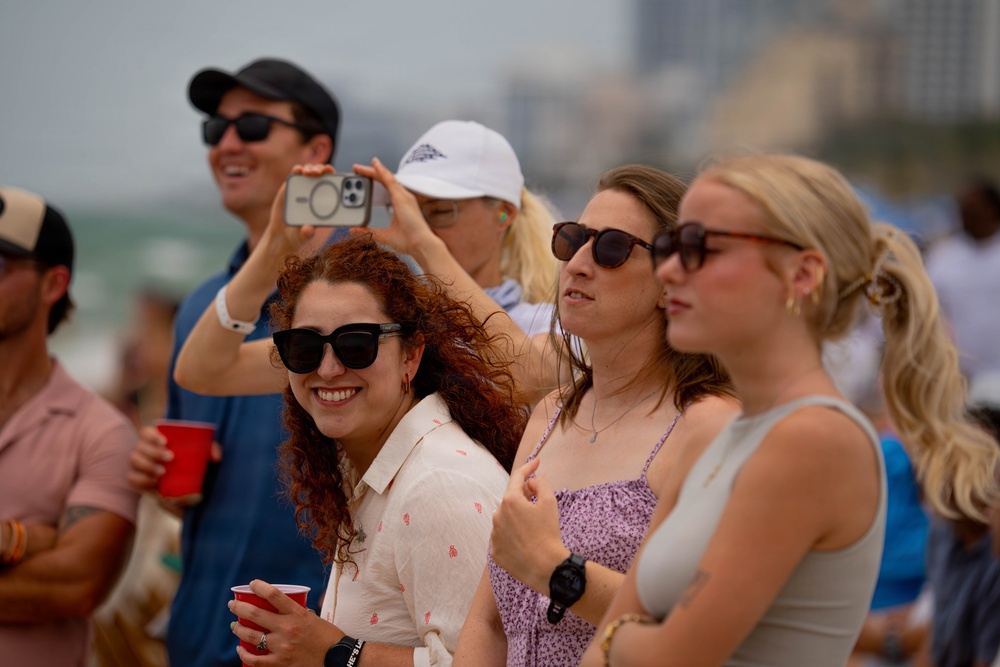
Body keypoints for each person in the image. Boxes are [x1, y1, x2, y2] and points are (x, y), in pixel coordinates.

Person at [582, 153, 1000, 666]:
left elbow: (668, 655)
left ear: (802, 274)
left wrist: (620, 636)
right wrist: (625, 636)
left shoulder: (814, 439)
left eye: (699, 247)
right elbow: (625, 638)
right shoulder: (721, 436)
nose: (669, 269)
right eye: (671, 246)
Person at [422, 164, 733, 666]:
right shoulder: (551, 414)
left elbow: (703, 623)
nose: (579, 263)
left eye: (612, 247)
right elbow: (489, 621)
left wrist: (556, 569)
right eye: (572, 240)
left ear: (670, 280)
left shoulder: (707, 426)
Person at [125, 58, 340, 667]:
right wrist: (159, 473)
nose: (225, 144)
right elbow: (190, 488)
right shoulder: (201, 308)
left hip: (313, 639)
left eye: (250, 126)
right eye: (213, 130)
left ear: (316, 150)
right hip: (198, 633)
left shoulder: (369, 295)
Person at [224, 234, 524, 665]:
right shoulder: (375, 466)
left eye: (357, 344)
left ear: (411, 356)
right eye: (305, 347)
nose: (327, 369)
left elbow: (491, 663)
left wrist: (336, 653)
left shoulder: (438, 486)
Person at [176, 121, 565, 405]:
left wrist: (425, 246)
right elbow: (203, 371)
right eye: (409, 209)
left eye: (441, 212)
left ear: (504, 213)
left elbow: (524, 376)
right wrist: (271, 253)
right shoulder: (387, 330)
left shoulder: (549, 321)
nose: (420, 226)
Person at [0, 187, 139, 665]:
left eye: (0, 265)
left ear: (53, 285)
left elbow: (75, 585)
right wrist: (29, 538)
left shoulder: (102, 433)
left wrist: (13, 540)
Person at [926, 177, 1000, 384]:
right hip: (962, 379)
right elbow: (930, 310)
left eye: (972, 209)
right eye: (962, 210)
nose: (966, 217)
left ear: (992, 208)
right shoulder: (942, 257)